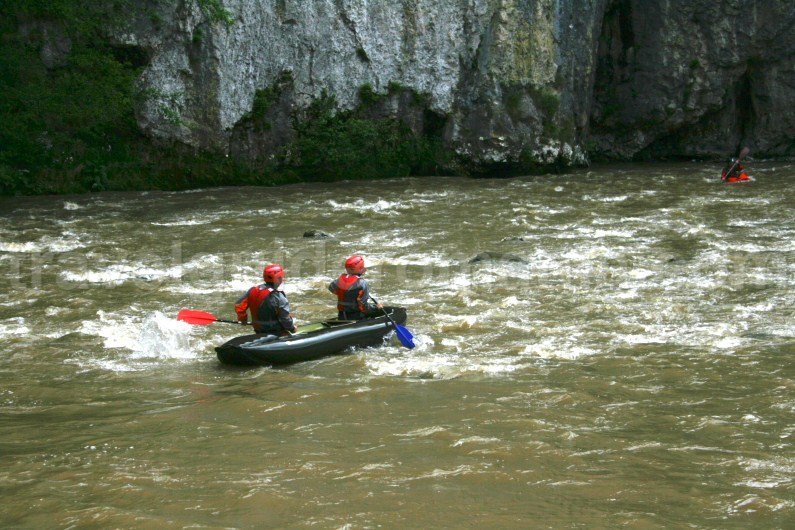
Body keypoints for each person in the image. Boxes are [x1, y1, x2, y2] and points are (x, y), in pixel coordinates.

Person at [235, 263, 297, 335]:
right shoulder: (279, 297)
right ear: (278, 279)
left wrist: (243, 319)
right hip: (276, 332)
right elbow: (284, 319)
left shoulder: (253, 290)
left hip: (258, 330)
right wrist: (292, 329)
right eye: (281, 277)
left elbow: (239, 305)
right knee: (289, 317)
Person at [328, 255, 381, 320]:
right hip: (357, 317)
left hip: (341, 316)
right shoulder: (362, 283)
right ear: (360, 268)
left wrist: (346, 293)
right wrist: (375, 308)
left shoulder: (339, 280)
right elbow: (363, 306)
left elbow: (331, 288)